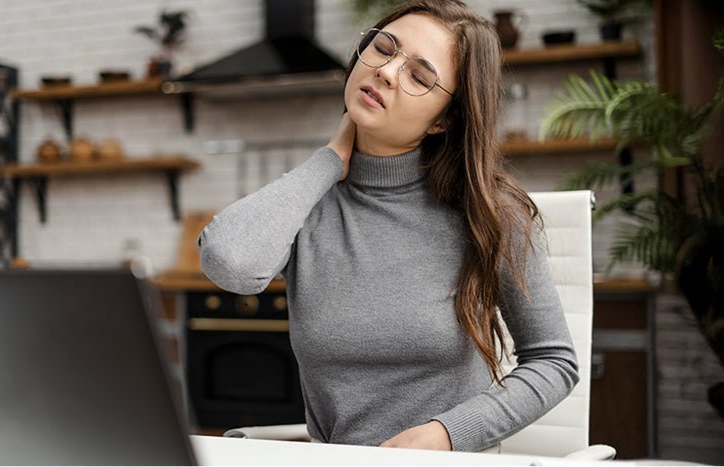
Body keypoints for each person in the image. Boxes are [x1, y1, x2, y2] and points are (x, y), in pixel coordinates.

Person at [197, 0, 579, 453]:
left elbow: (554, 361)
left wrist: (447, 434)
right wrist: (327, 162)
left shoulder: (491, 214)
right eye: (382, 48)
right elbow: (229, 262)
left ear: (443, 121)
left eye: (419, 76)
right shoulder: (308, 204)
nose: (386, 71)